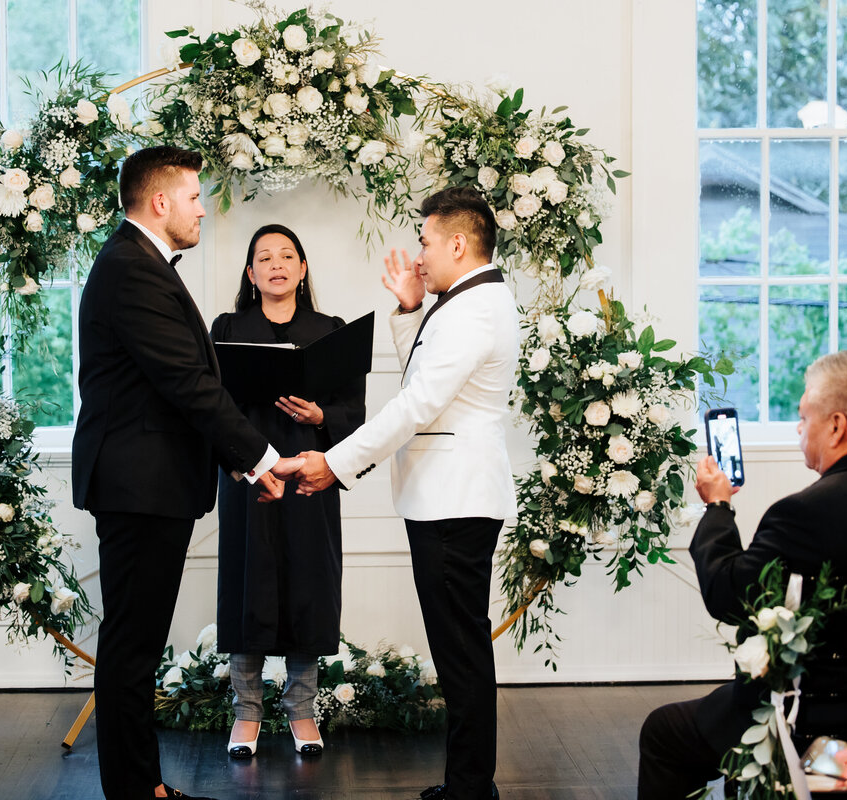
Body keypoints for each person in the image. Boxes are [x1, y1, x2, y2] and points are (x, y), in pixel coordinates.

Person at [71, 146, 304, 800]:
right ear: (161, 202)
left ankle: (142, 786)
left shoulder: (137, 264)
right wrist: (260, 458)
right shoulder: (131, 269)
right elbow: (187, 384)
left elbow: (180, 385)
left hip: (148, 483)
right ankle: (135, 791)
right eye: (195, 196)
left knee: (133, 647)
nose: (203, 207)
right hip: (138, 487)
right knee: (131, 650)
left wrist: (228, 455)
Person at [295, 187, 518, 800]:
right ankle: (467, 783)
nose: (419, 254)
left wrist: (336, 463)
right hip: (447, 496)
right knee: (457, 650)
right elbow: (424, 379)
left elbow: (418, 404)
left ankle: (471, 788)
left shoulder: (476, 308)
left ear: (457, 242)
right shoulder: (463, 302)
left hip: (456, 499)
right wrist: (410, 310)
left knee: (462, 653)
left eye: (424, 241)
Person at [637, 350, 847, 798]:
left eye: (804, 416)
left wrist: (719, 507)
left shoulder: (804, 513)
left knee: (664, 732)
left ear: (837, 426)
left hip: (813, 716)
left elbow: (729, 595)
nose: (798, 428)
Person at [211, 224, 365, 759]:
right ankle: (246, 715)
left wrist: (322, 414)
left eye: (287, 256)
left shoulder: (331, 329)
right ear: (251, 274)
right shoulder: (228, 328)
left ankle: (302, 712)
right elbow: (212, 407)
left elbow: (356, 414)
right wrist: (242, 464)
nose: (276, 264)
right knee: (247, 589)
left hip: (310, 479)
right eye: (264, 257)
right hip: (250, 478)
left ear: (302, 269)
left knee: (309, 590)